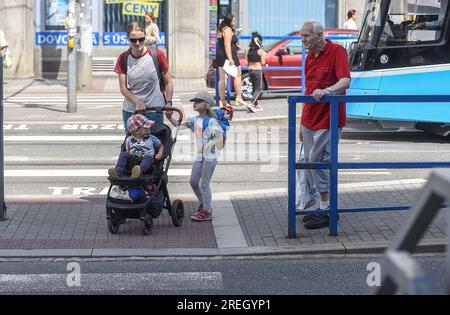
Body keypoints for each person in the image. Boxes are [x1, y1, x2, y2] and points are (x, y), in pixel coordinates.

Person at [299, 21, 351, 230]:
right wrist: (300, 122)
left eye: (306, 36)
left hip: (329, 118)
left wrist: (328, 90)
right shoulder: (310, 57)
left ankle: (328, 208)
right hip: (310, 118)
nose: (302, 40)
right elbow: (308, 88)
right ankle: (318, 204)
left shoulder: (337, 51)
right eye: (302, 36)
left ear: (319, 36)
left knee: (319, 161)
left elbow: (346, 80)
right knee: (307, 162)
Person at [166, 91, 224, 222]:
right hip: (200, 156)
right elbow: (178, 126)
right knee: (193, 182)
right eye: (194, 101)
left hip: (210, 157)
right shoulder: (194, 119)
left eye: (198, 101)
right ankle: (205, 204)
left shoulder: (211, 121)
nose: (195, 103)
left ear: (207, 105)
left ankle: (207, 211)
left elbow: (219, 138)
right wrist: (169, 117)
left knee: (204, 183)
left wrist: (209, 144)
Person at [114, 22, 174, 128]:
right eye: (133, 40)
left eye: (141, 39)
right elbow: (123, 89)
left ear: (145, 37)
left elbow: (169, 82)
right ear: (127, 39)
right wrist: (138, 102)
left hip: (154, 110)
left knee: (156, 143)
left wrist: (168, 103)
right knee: (132, 143)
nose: (137, 43)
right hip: (132, 112)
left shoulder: (157, 54)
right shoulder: (123, 58)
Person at [108, 114, 164, 180]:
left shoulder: (152, 138)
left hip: (146, 162)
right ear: (137, 131)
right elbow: (128, 151)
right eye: (146, 127)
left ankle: (138, 173)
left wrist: (159, 154)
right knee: (124, 154)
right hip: (133, 161)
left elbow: (161, 145)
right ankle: (118, 172)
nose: (149, 128)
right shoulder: (129, 139)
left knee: (148, 158)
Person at [216, 14, 248, 107]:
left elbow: (222, 43)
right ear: (229, 21)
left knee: (222, 78)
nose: (235, 22)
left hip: (220, 54)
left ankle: (222, 101)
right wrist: (230, 58)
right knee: (238, 74)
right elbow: (227, 44)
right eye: (233, 21)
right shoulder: (228, 30)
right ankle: (238, 97)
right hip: (229, 55)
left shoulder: (220, 29)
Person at [246, 32, 266, 113]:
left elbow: (247, 63)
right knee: (258, 89)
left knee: (254, 88)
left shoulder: (248, 50)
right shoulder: (260, 51)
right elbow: (263, 62)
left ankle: (256, 104)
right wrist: (264, 55)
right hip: (257, 70)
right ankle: (251, 103)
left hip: (250, 71)